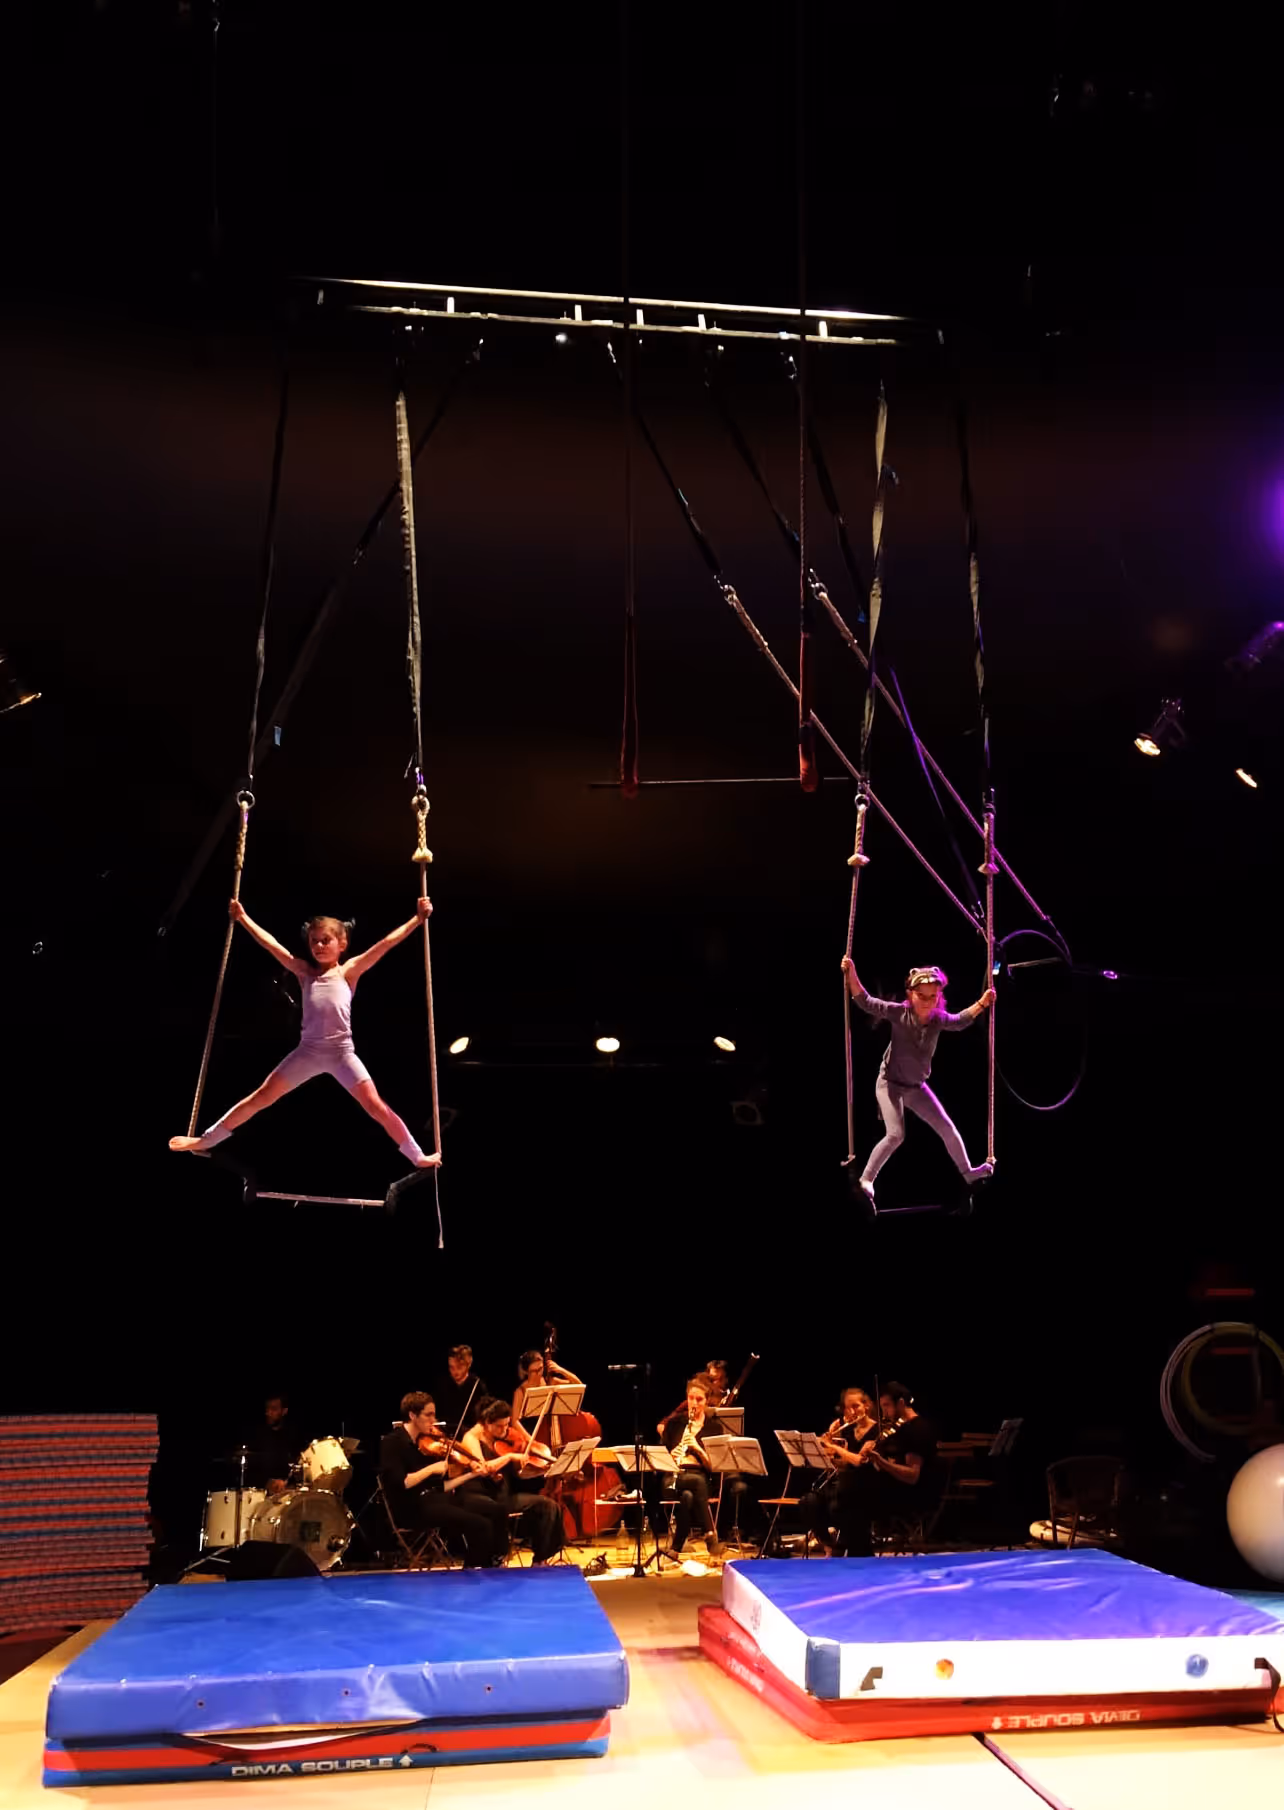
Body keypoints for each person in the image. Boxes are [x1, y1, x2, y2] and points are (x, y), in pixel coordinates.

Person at [169, 899, 441, 1167]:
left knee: (376, 1106)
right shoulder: (304, 972)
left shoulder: (348, 972)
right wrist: (242, 917)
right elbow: (271, 945)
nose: (319, 946)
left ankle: (417, 1155)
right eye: (314, 941)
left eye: (326, 940)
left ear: (342, 944)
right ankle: (206, 1139)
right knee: (261, 1097)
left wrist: (417, 919)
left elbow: (385, 944)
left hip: (341, 1054)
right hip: (308, 1051)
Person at [841, 959, 995, 1208]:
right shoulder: (899, 1013)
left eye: (932, 996)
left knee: (947, 1127)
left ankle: (968, 1174)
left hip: (916, 1087)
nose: (927, 1001)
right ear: (910, 995)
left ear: (939, 996)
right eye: (921, 996)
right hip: (889, 1084)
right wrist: (852, 973)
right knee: (896, 1134)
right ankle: (866, 1180)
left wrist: (982, 1003)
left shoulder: (937, 1020)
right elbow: (865, 1002)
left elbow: (959, 1021)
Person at [379, 1391, 511, 1567]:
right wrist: (432, 1468)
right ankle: (474, 1574)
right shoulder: (392, 1442)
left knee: (497, 1510)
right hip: (412, 1507)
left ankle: (497, 1560)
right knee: (480, 1525)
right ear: (412, 1415)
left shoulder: (424, 1443)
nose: (434, 1420)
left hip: (437, 1498)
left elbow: (443, 1486)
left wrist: (472, 1474)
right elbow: (402, 1482)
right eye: (428, 1415)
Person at [831, 1380, 939, 1558]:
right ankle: (857, 1553)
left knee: (850, 1494)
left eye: (887, 1406)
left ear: (901, 1403)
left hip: (911, 1495)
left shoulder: (917, 1430)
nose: (884, 1412)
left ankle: (857, 1554)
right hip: (890, 1489)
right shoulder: (897, 1429)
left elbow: (912, 1476)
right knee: (844, 1495)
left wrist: (880, 1461)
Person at [457, 1399, 563, 1564]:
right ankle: (497, 1557)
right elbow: (483, 1468)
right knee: (497, 1510)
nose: (505, 1430)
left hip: (503, 1494)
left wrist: (544, 1470)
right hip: (482, 1495)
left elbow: (520, 1475)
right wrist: (510, 1456)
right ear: (486, 1423)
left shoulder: (506, 1438)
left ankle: (540, 1560)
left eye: (506, 1425)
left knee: (548, 1506)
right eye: (500, 1426)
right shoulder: (471, 1438)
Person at [801, 1387, 878, 1554]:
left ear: (867, 1406)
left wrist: (833, 1446)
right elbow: (842, 1463)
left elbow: (859, 1461)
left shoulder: (877, 1431)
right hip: (843, 1485)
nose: (852, 1411)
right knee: (809, 1501)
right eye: (848, 1408)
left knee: (838, 1504)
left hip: (865, 1486)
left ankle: (850, 1544)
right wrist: (826, 1448)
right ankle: (830, 1544)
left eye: (856, 1406)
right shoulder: (847, 1431)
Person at [660, 1375, 726, 1558]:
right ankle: (711, 1536)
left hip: (702, 1478)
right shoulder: (674, 1424)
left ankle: (675, 1549)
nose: (694, 1403)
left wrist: (697, 1449)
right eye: (691, 1398)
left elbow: (715, 1467)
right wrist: (669, 1457)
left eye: (699, 1399)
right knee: (695, 1483)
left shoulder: (714, 1429)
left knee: (689, 1495)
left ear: (707, 1401)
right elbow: (659, 1458)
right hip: (673, 1477)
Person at [242, 1391, 299, 1495]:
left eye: (273, 1409)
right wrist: (268, 1483)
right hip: (262, 1497)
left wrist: (288, 1484)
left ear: (284, 1411)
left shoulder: (293, 1437)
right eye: (267, 1409)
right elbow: (248, 1473)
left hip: (288, 1496)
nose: (268, 1413)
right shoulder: (257, 1437)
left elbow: (299, 1469)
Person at [433, 1345, 490, 1439]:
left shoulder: (477, 1385)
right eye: (451, 1367)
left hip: (469, 1435)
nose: (455, 1372)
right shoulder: (442, 1384)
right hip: (444, 1433)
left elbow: (484, 1418)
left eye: (459, 1367)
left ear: (469, 1364)